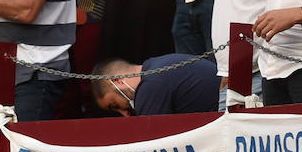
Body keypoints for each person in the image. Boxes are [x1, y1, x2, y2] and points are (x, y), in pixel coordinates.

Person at [91, 54, 225, 115]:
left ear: (117, 80)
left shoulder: (150, 86)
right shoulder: (156, 66)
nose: (124, 114)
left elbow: (152, 141)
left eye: (115, 105)